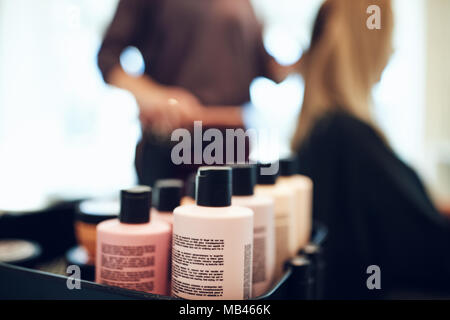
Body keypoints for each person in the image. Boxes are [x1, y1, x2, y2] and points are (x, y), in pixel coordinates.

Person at [291, 0, 450, 298]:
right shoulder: (347, 137)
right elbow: (428, 250)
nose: (392, 50)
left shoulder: (322, 134)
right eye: (388, 37)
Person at [97, 0, 291, 186]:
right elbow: (108, 58)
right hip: (176, 147)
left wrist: (311, 59)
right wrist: (156, 96)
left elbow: (266, 66)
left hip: (233, 147)